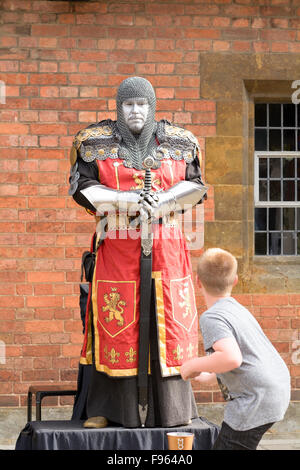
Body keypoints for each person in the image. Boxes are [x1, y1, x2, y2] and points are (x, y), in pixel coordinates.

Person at [68, 76, 207, 428]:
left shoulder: (181, 142)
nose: (135, 111)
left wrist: (163, 201)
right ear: (119, 107)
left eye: (141, 104)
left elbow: (197, 186)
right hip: (117, 249)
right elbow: (82, 188)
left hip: (169, 251)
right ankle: (107, 409)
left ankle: (172, 410)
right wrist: (126, 199)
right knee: (116, 325)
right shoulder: (94, 142)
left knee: (170, 324)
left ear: (152, 106)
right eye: (128, 104)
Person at [180, 248, 291, 450]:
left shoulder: (212, 316)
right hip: (276, 388)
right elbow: (244, 360)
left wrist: (191, 365)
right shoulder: (238, 309)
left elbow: (231, 358)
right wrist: (211, 376)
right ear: (235, 281)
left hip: (256, 399)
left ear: (197, 281)